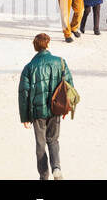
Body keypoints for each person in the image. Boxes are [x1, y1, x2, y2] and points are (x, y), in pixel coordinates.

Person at [19, 33, 74, 180]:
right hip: (55, 108)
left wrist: (25, 117)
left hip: (37, 111)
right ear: (48, 44)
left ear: (35, 47)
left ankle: (44, 175)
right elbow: (69, 85)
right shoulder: (60, 62)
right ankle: (56, 167)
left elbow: (24, 93)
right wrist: (66, 107)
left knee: (40, 144)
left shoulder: (28, 67)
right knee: (53, 140)